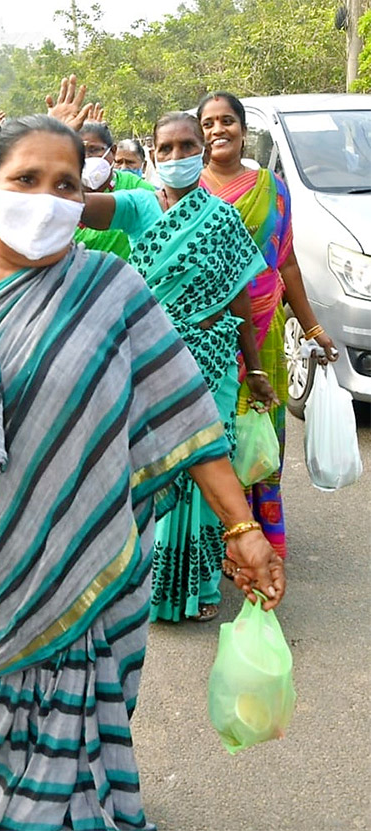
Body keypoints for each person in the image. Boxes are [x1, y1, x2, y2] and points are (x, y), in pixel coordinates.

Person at [0, 114, 285, 831]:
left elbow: (184, 412)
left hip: (100, 556)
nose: (47, 197)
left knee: (91, 713)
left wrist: (242, 525)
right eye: (25, 179)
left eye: (65, 183)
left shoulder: (112, 286)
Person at [81, 111, 277, 623]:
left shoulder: (224, 219)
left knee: (208, 462)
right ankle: (142, 577)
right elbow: (70, 208)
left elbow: (239, 301)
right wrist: (70, 154)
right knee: (151, 463)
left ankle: (202, 583)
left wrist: (254, 368)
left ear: (202, 150)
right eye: (164, 149)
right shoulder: (138, 206)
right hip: (150, 357)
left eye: (186, 146)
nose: (175, 157)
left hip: (212, 359)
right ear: (151, 153)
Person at [197, 91, 338, 559]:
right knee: (211, 437)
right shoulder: (187, 193)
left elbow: (287, 263)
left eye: (227, 121)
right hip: (208, 338)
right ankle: (214, 540)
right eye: (210, 122)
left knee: (259, 437)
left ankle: (261, 535)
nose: (219, 130)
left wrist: (314, 329)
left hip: (264, 329)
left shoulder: (273, 189)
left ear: (243, 128)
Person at [74, 121, 155, 260]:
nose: (86, 158)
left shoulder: (136, 187)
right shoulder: (62, 195)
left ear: (112, 151)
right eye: (80, 151)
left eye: (93, 150)